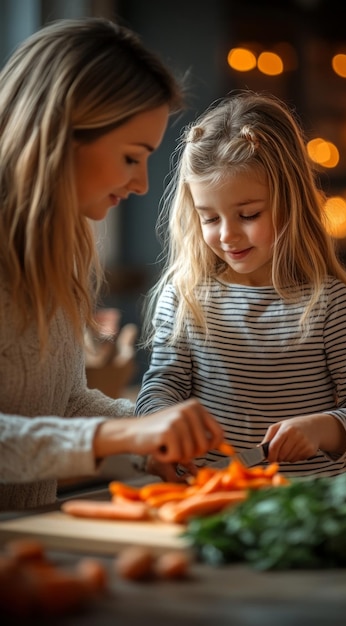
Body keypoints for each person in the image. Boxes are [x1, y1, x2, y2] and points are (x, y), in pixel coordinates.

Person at [0, 17, 223, 511]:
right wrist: (122, 432)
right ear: (61, 136)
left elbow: (62, 407)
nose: (143, 183)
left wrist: (147, 440)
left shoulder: (56, 251)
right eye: (131, 157)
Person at [135, 91, 346, 483]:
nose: (227, 235)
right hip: (215, 497)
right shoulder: (185, 296)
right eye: (209, 218)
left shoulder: (328, 303)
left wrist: (321, 428)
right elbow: (161, 387)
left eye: (249, 214)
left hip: (314, 505)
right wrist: (157, 436)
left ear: (290, 201)